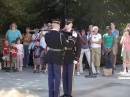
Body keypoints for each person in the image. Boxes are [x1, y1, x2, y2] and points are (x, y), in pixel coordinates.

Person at [45, 19, 75, 97]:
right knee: (57, 76)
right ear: (58, 26)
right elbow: (68, 45)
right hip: (57, 56)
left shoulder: (47, 34)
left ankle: (50, 95)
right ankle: (56, 95)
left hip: (49, 56)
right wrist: (72, 39)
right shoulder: (60, 35)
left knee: (50, 76)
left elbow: (48, 44)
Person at [61, 19, 81, 97]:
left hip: (71, 56)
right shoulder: (62, 33)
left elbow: (78, 47)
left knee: (70, 76)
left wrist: (76, 58)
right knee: (64, 75)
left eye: (68, 24)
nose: (66, 25)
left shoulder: (75, 34)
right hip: (63, 56)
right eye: (65, 24)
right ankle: (65, 92)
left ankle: (69, 93)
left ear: (71, 25)